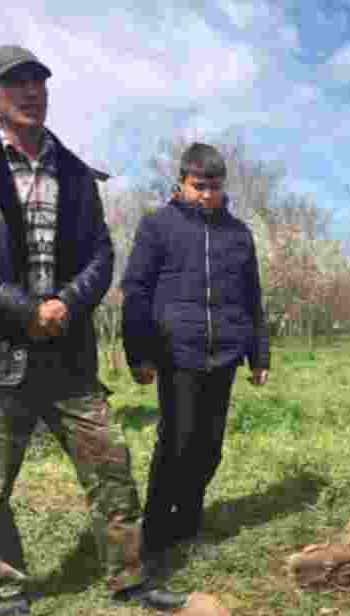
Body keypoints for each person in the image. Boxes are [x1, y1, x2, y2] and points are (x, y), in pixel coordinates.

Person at [0, 45, 183, 616]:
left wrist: (66, 303)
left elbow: (100, 253)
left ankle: (130, 579)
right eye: (15, 84)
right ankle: (7, 588)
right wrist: (23, 310)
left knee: (110, 465)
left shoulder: (73, 171)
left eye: (38, 82)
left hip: (66, 354)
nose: (31, 92)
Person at [121, 143, 270, 569]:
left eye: (214, 186)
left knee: (209, 447)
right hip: (176, 353)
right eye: (198, 186)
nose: (207, 194)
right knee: (177, 442)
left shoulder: (238, 234)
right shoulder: (158, 226)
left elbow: (252, 297)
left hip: (224, 353)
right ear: (181, 183)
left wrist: (259, 355)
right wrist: (139, 353)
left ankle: (187, 524)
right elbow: (136, 290)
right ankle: (155, 530)